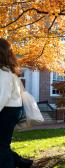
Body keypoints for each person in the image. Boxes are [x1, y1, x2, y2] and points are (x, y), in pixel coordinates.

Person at [0, 38, 33, 168]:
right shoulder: (8, 71)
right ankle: (20, 162)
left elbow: (2, 97)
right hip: (11, 110)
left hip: (6, 111)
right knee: (2, 144)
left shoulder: (3, 73)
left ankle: (15, 162)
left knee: (2, 145)